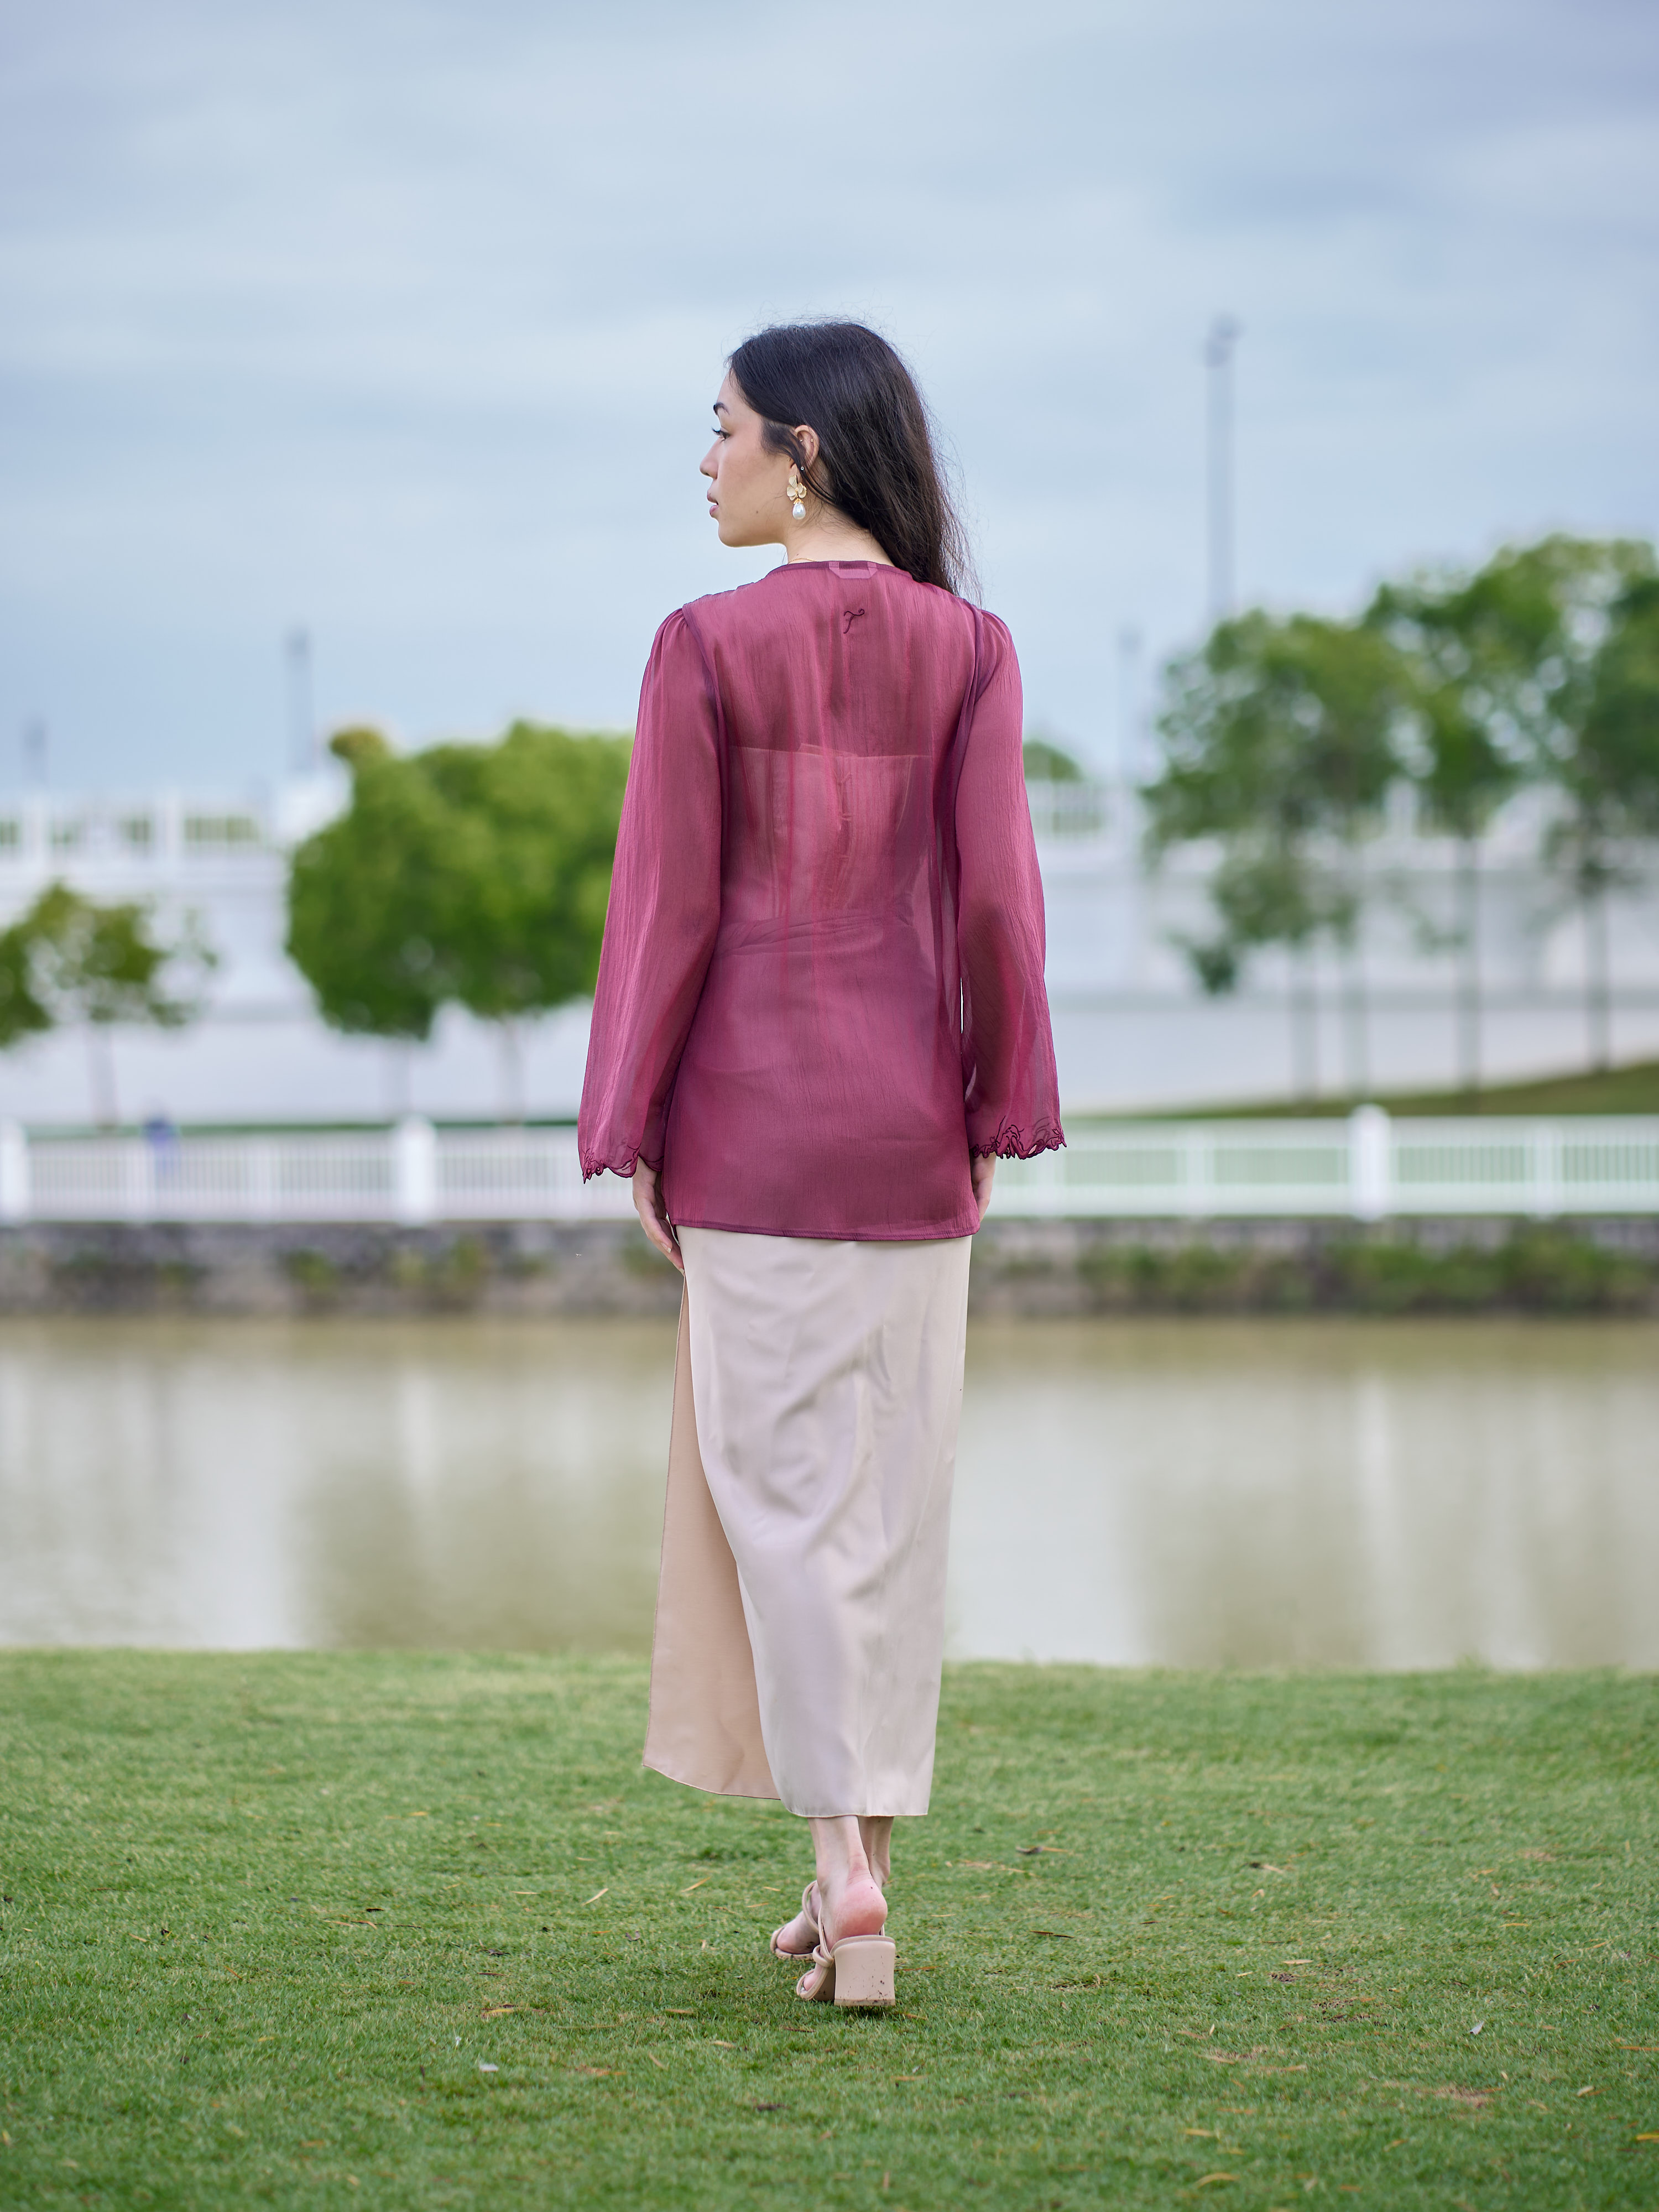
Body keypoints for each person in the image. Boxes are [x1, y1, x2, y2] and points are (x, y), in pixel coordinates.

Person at [578, 321, 1062, 2008]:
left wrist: (625, 1121)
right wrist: (1002, 1103)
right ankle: (838, 1867)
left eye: (719, 429)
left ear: (802, 454)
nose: (701, 458)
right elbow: (1002, 900)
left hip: (754, 1134)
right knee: (882, 1511)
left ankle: (850, 1871)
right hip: (917, 1134)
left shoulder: (701, 646)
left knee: (779, 1508)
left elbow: (669, 910)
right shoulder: (976, 649)